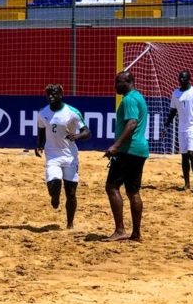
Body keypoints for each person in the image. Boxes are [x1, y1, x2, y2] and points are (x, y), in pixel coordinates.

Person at [35, 84, 92, 229]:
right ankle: (54, 197)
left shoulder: (72, 112)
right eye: (48, 94)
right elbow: (41, 130)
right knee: (54, 183)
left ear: (61, 95)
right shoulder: (42, 113)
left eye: (54, 94)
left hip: (69, 156)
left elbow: (87, 131)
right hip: (52, 155)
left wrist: (78, 135)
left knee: (71, 192)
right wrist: (39, 145)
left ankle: (70, 224)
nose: (51, 96)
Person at [104, 71, 149, 242]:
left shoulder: (129, 99)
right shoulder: (138, 97)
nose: (115, 86)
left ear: (128, 82)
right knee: (133, 191)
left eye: (118, 82)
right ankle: (136, 233)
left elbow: (132, 123)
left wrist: (116, 146)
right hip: (139, 150)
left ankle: (120, 230)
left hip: (128, 150)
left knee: (111, 187)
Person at [163, 70, 193, 192]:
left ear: (189, 79)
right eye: (180, 78)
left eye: (184, 78)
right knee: (184, 156)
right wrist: (166, 126)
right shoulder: (175, 93)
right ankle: (186, 183)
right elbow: (172, 112)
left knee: (192, 154)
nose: (182, 80)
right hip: (182, 128)